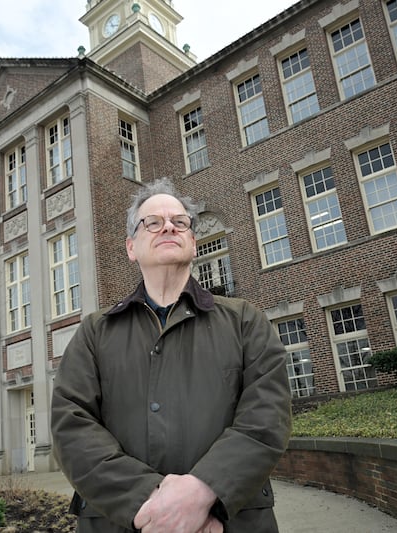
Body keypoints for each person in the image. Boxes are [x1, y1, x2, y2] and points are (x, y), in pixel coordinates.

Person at [50, 178, 292, 532]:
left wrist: (202, 493)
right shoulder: (94, 332)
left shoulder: (245, 321)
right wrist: (151, 503)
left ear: (193, 242)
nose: (168, 226)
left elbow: (266, 420)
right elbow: (71, 428)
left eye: (180, 222)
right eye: (153, 222)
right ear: (131, 247)